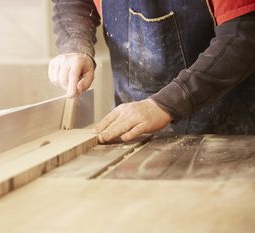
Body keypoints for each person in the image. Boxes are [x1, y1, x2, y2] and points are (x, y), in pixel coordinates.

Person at [48, 0, 255, 143]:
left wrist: (164, 105)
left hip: (227, 128)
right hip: (135, 133)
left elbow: (243, 37)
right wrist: (75, 44)